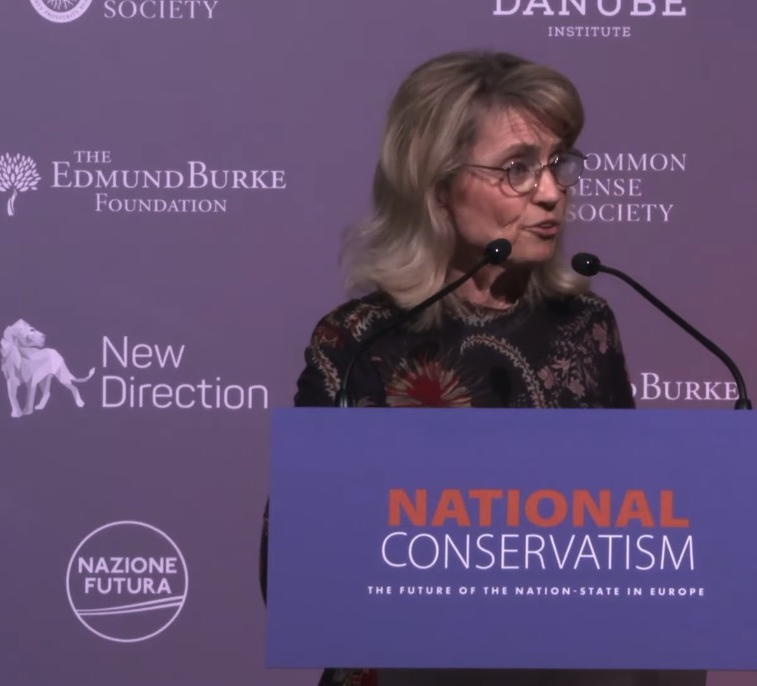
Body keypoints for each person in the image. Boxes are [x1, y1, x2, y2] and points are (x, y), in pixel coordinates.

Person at [260, 49, 707, 686]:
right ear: (438, 185)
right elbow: (292, 567)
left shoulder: (585, 325)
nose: (550, 192)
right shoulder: (359, 341)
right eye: (517, 169)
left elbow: (627, 538)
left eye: (557, 163)